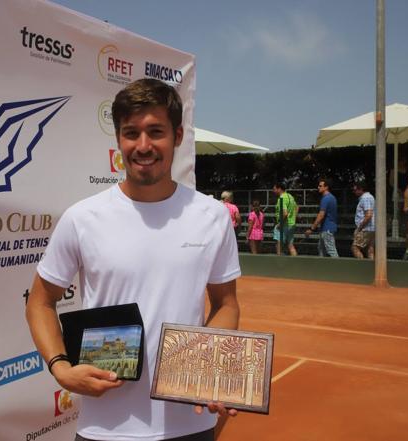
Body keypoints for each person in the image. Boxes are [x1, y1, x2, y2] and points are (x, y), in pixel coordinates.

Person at [25, 78, 241, 441]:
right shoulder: (82, 217)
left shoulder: (213, 215)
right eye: (131, 133)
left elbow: (227, 304)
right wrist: (60, 367)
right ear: (118, 139)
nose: (143, 146)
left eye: (155, 131)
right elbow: (40, 302)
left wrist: (210, 367)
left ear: (177, 135)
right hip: (104, 427)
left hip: (189, 423)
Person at [305, 179, 339, 257]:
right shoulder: (332, 198)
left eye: (320, 186)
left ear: (326, 187)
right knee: (321, 250)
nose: (318, 187)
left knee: (331, 251)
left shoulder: (326, 199)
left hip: (327, 230)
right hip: (327, 229)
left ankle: (338, 267)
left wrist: (311, 229)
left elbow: (321, 215)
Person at [272, 183, 298, 256]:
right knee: (291, 246)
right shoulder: (290, 196)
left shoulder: (281, 198)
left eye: (274, 189)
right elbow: (297, 207)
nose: (273, 191)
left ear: (279, 189)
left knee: (279, 246)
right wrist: (293, 218)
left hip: (283, 225)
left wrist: (280, 224)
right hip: (291, 224)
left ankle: (279, 265)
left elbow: (285, 213)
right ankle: (295, 264)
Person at [351, 182, 375, 259]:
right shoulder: (370, 197)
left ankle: (362, 266)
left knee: (355, 248)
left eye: (355, 190)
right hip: (372, 228)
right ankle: (372, 269)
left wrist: (359, 228)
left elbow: (368, 215)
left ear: (360, 189)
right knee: (369, 249)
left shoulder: (365, 198)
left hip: (365, 228)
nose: (353, 192)